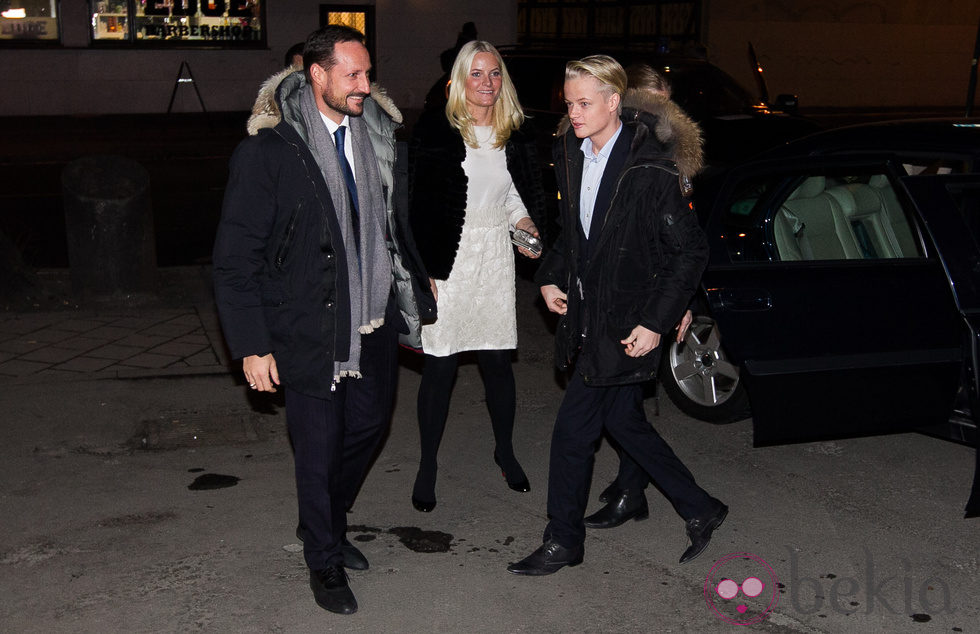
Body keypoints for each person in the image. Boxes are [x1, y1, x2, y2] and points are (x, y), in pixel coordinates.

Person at [213, 25, 433, 615]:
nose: (365, 86)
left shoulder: (379, 139)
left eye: (368, 74)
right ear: (317, 74)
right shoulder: (269, 152)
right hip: (306, 324)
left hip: (373, 314)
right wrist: (253, 345)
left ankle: (325, 521)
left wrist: (413, 271)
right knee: (318, 446)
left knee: (367, 427)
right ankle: (325, 560)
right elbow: (235, 261)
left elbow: (392, 223)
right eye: (353, 76)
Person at [508, 55, 727, 576]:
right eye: (568, 104)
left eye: (585, 103)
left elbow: (689, 253)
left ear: (614, 102)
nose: (575, 113)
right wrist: (549, 277)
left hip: (627, 321)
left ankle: (564, 540)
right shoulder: (570, 151)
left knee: (572, 435)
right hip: (588, 313)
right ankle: (699, 507)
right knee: (622, 421)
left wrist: (657, 321)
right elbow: (575, 236)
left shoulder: (651, 167)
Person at [408, 40, 546, 513]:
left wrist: (525, 224)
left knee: (496, 365)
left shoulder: (515, 133)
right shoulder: (438, 131)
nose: (487, 84)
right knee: (440, 366)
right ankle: (427, 465)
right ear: (460, 80)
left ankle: (505, 452)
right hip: (449, 260)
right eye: (477, 74)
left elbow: (512, 198)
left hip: (494, 256)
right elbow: (416, 207)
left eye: (494, 74)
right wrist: (422, 268)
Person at [586, 63, 704, 530]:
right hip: (624, 296)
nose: (663, 108)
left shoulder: (665, 153)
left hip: (644, 301)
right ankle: (633, 490)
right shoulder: (621, 146)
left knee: (623, 413)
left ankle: (641, 494)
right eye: (655, 98)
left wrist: (677, 304)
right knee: (624, 411)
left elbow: (684, 240)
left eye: (666, 98)